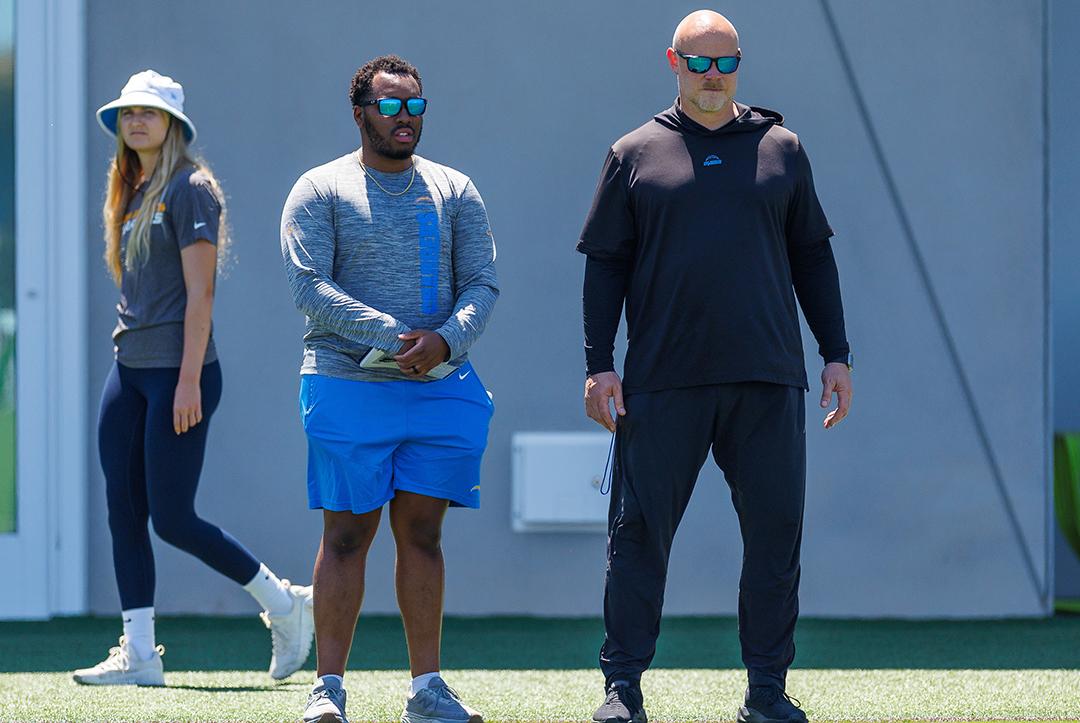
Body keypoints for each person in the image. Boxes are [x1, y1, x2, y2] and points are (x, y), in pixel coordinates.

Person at [579, 11, 854, 723]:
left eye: (725, 62)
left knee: (774, 538)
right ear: (674, 61)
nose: (712, 75)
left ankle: (766, 692)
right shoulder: (634, 152)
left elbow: (813, 256)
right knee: (637, 537)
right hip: (661, 380)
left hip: (767, 376)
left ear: (739, 64)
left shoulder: (782, 149)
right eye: (699, 62)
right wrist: (598, 365)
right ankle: (622, 689)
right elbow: (605, 265)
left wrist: (836, 354)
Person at [74, 70, 314, 687]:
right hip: (130, 370)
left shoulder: (191, 189)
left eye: (149, 113)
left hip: (180, 375)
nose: (136, 121)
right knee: (123, 509)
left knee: (173, 518)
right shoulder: (130, 190)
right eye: (129, 112)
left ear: (173, 126)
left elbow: (201, 296)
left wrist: (186, 382)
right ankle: (140, 654)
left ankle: (285, 604)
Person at [280, 54, 498, 723]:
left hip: (438, 385)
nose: (406, 117)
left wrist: (446, 341)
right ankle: (328, 690)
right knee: (347, 534)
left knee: (424, 534)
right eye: (391, 105)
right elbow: (308, 287)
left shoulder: (455, 189)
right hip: (347, 385)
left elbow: (482, 282)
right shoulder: (320, 189)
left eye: (415, 105)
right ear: (360, 113)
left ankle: (427, 688)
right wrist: (396, 335)